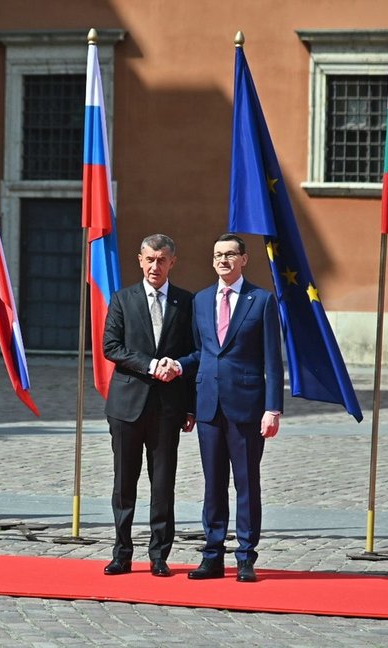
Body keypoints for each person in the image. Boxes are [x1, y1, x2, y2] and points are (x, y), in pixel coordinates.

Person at [171, 232, 283, 583]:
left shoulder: (261, 301)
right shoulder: (201, 301)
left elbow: (273, 361)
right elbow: (201, 352)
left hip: (248, 407)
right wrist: (186, 394)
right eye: (218, 254)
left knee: (247, 483)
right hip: (208, 407)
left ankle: (246, 556)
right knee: (213, 485)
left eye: (230, 255)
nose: (223, 260)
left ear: (243, 260)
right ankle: (212, 555)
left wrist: (273, 409)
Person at [101, 233, 196, 577]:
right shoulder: (122, 299)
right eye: (149, 259)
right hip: (127, 405)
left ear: (173, 262)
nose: (155, 266)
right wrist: (150, 365)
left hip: (168, 408)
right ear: (140, 260)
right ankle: (121, 553)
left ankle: (159, 555)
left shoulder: (186, 303)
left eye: (162, 259)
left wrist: (190, 406)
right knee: (124, 484)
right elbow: (110, 346)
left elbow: (194, 353)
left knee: (162, 484)